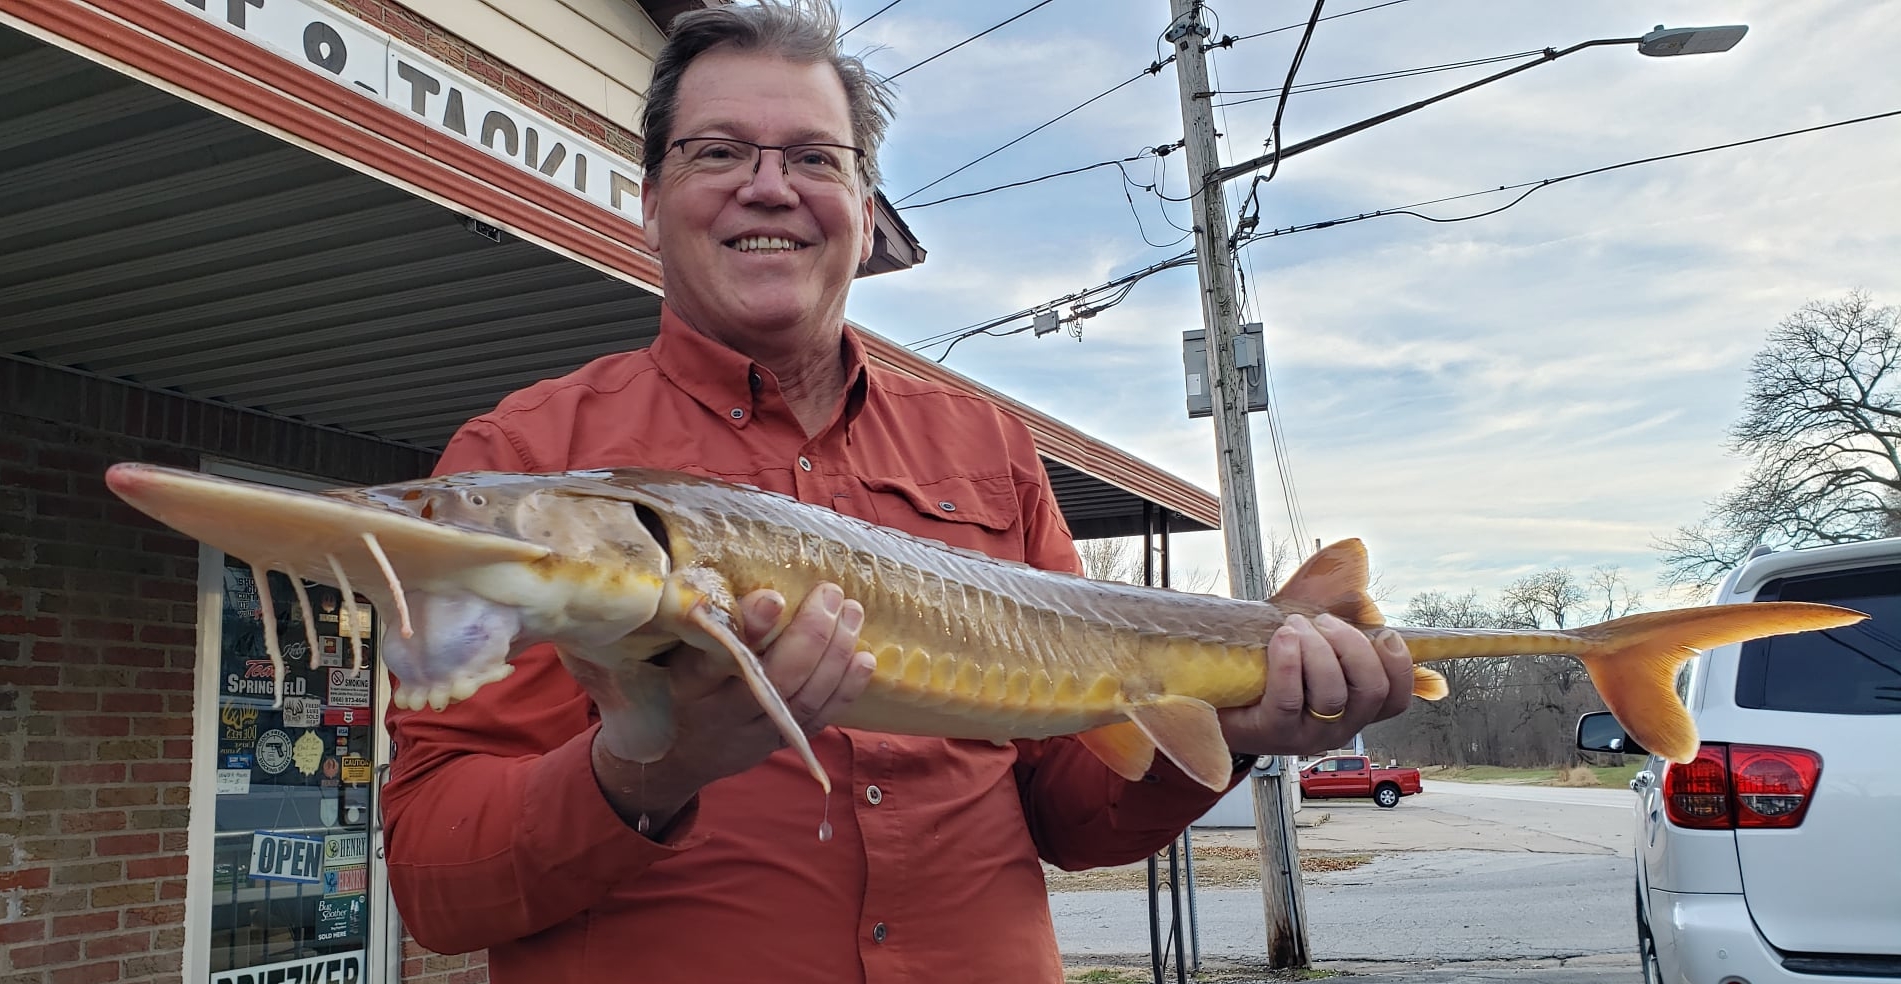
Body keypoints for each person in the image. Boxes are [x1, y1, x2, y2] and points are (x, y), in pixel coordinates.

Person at [379, 2, 1415, 981]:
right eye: (718, 151)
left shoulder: (988, 449)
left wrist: (1236, 731)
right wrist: (652, 766)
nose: (768, 185)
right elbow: (433, 880)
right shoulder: (518, 468)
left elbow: (1068, 813)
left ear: (864, 211)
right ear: (649, 201)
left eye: (813, 159)